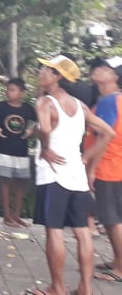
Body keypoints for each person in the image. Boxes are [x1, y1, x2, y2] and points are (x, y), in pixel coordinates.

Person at [28, 55, 114, 295]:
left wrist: (46, 148)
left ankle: (57, 287)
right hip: (76, 174)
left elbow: (45, 129)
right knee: (82, 231)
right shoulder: (80, 106)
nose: (41, 72)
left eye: (47, 70)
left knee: (54, 230)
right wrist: (85, 159)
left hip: (53, 174)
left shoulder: (45, 102)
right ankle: (85, 287)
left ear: (58, 77)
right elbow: (108, 132)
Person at [86, 57, 122, 283]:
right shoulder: (114, 99)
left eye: (104, 68)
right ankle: (117, 259)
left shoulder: (109, 101)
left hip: (107, 166)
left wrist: (91, 168)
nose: (98, 70)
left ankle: (120, 268)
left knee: (113, 219)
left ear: (115, 77)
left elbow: (104, 137)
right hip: (115, 165)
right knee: (111, 218)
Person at [0, 77, 36, 227]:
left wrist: (30, 130)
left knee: (21, 182)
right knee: (4, 182)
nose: (9, 92)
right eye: (8, 89)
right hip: (4, 149)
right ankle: (7, 215)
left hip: (21, 149)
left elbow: (36, 121)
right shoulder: (0, 107)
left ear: (22, 92)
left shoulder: (28, 109)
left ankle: (17, 214)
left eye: (13, 90)